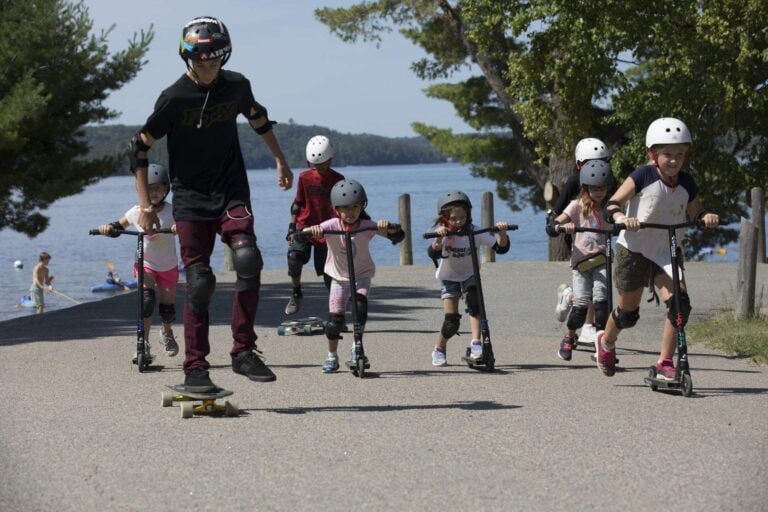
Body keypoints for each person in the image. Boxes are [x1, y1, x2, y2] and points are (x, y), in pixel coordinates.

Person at [128, 16, 293, 391]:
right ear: (187, 59)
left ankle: (243, 352)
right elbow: (137, 148)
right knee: (200, 281)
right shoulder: (173, 99)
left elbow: (258, 117)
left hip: (232, 188)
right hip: (189, 196)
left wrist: (280, 160)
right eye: (199, 61)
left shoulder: (236, 85)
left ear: (224, 56)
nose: (207, 67)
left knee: (249, 259)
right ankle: (195, 368)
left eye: (214, 60)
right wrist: (146, 206)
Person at [599, 117, 719, 379]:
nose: (674, 160)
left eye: (680, 155)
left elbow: (696, 212)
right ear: (651, 154)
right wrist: (621, 218)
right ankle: (606, 342)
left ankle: (666, 361)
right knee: (628, 314)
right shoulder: (642, 175)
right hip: (634, 249)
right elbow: (612, 204)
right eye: (667, 154)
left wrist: (706, 218)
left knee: (680, 304)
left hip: (666, 250)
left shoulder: (687, 183)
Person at [304, 180, 405, 373]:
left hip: (361, 275)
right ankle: (331, 356)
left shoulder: (366, 226)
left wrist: (388, 228)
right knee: (335, 323)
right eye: (345, 209)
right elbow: (309, 232)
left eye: (355, 207)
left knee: (360, 307)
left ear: (362, 207)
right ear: (337, 209)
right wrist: (312, 231)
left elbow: (398, 236)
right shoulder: (332, 225)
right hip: (339, 277)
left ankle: (356, 347)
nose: (351, 212)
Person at [98, 163, 180, 361]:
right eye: (149, 188)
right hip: (145, 264)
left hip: (168, 264)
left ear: (166, 189)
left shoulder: (172, 210)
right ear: (141, 190)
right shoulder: (136, 211)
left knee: (167, 309)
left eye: (158, 188)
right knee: (146, 301)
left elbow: (185, 223)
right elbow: (118, 226)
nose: (153, 193)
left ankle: (167, 333)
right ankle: (143, 343)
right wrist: (107, 229)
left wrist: (180, 226)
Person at [427, 192, 510, 366]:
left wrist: (501, 234)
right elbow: (433, 251)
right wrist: (439, 237)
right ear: (445, 218)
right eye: (454, 218)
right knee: (451, 321)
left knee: (475, 304)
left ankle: (476, 344)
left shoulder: (475, 231)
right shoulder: (443, 233)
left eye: (462, 217)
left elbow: (500, 248)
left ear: (469, 215)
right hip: (449, 278)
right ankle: (439, 348)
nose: (458, 221)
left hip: (470, 275)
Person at [547, 161, 613, 361]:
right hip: (581, 263)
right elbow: (555, 223)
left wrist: (625, 223)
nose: (599, 192)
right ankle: (568, 337)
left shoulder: (610, 208)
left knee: (602, 305)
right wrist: (561, 227)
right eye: (594, 188)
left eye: (602, 187)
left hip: (602, 260)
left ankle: (602, 346)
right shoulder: (576, 206)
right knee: (581, 306)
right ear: (585, 187)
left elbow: (620, 220)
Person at [284, 135, 344, 315]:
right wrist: (292, 228)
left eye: (322, 163)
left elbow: (343, 205)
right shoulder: (304, 177)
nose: (318, 167)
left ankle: (336, 314)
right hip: (305, 226)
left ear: (330, 159)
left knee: (329, 275)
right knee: (294, 257)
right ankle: (296, 293)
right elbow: (297, 203)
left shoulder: (338, 179)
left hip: (327, 230)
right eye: (314, 164)